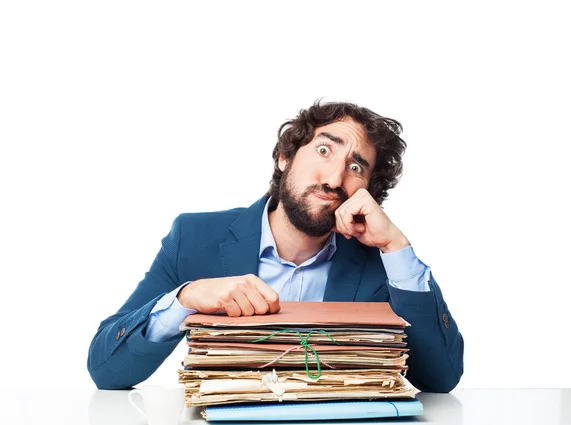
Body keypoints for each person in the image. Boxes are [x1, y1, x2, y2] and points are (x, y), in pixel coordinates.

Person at [87, 100, 464, 393]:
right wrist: (186, 297)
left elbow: (440, 378)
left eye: (355, 167)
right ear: (285, 157)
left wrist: (396, 246)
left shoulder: (383, 263)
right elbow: (105, 368)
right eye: (323, 151)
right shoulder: (195, 238)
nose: (334, 178)